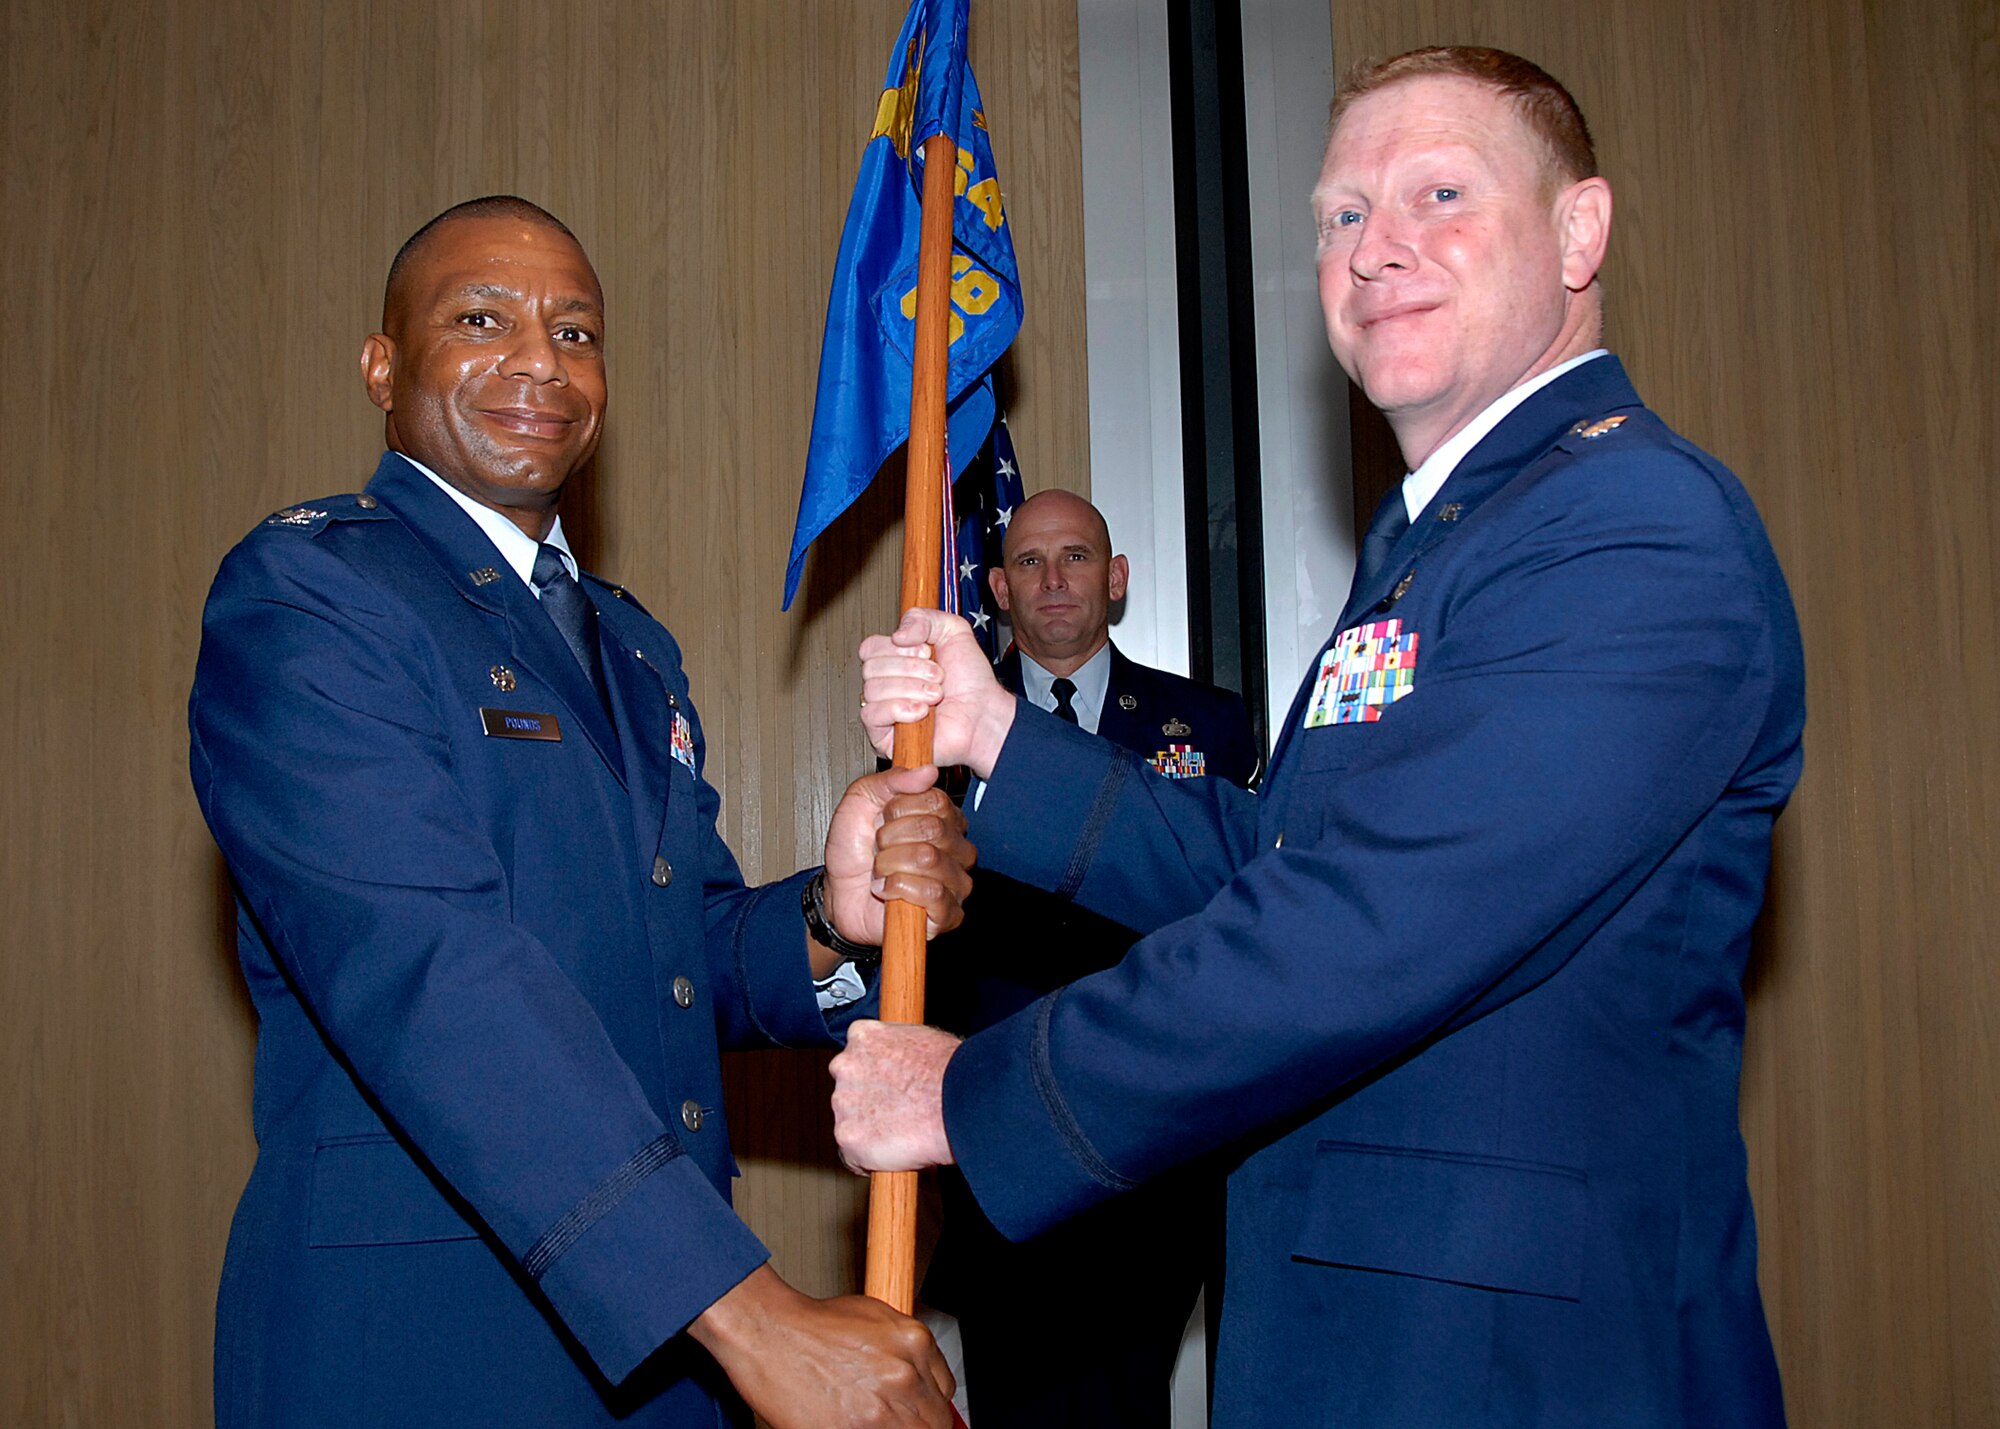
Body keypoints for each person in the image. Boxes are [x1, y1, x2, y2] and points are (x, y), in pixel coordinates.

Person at [833, 47, 1802, 1427]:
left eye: (1441, 195)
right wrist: (997, 734)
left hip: (1520, 1364)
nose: (1376, 249)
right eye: (1343, 215)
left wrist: (984, 1095)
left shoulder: (1636, 526)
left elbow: (1374, 921)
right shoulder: (1435, 543)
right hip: (1358, 1331)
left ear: (1580, 230)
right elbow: (1276, 862)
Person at [189, 196, 969, 1428]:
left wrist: (830, 913)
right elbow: (436, 978)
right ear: (383, 370)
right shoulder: (311, 595)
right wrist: (748, 1312)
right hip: (426, 1350)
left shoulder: (631, 645)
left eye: (576, 331)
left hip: (651, 1360)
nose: (538, 362)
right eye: (481, 319)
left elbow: (671, 959)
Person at [922, 489, 1255, 1427]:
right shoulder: (931, 739)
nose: (1053, 579)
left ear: (1115, 580)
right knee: (1015, 1391)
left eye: (1075, 557)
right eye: (1028, 561)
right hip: (998, 1121)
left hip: (1153, 1130)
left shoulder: (1209, 726)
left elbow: (1238, 918)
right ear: (996, 586)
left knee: (1127, 1394)